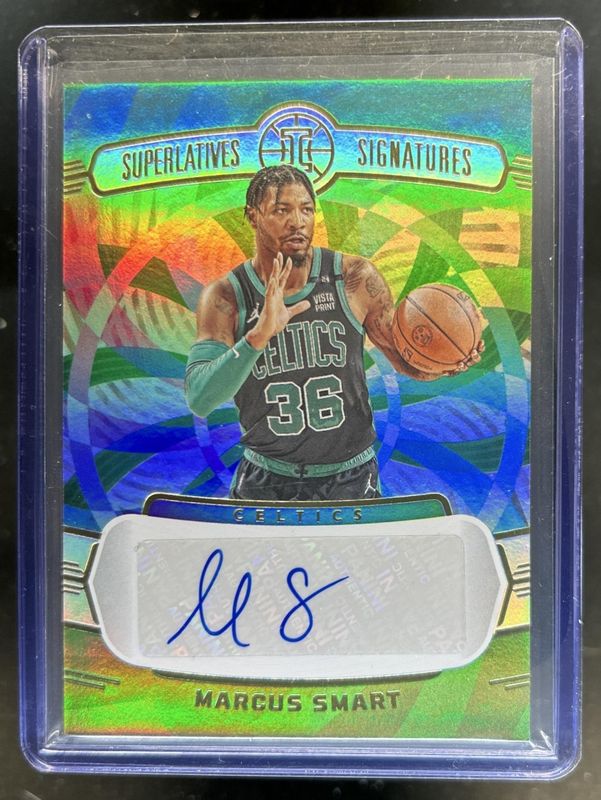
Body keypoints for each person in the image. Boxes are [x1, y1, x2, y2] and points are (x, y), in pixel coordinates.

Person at [185, 165, 482, 501]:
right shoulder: (226, 296)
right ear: (253, 216)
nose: (297, 221)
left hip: (350, 476)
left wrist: (447, 363)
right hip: (266, 475)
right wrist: (258, 336)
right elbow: (200, 398)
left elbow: (406, 361)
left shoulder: (354, 279)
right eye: (281, 210)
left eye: (306, 209)